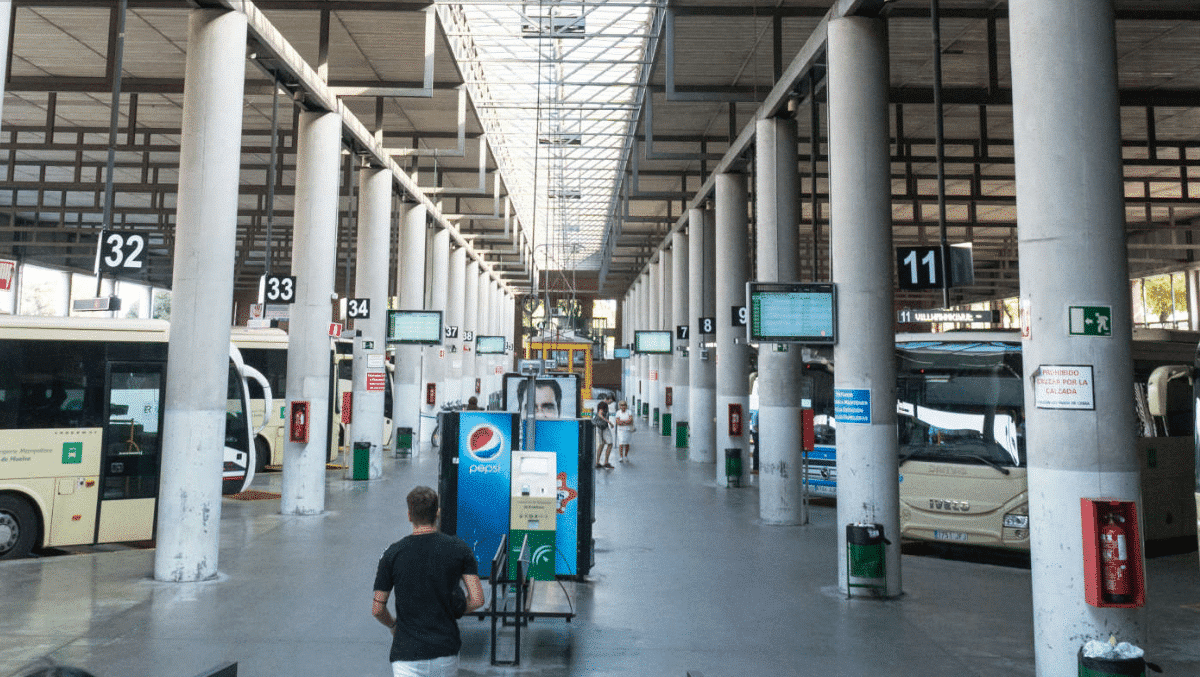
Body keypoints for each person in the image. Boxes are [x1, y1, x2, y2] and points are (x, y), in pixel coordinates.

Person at [373, 486, 485, 677]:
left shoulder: (392, 554)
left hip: (406, 654)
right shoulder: (459, 549)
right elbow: (477, 599)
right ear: (438, 513)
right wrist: (451, 610)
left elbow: (377, 609)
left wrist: (393, 626)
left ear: (409, 515)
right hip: (445, 651)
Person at [593, 394, 615, 469]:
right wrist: (609, 422)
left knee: (603, 444)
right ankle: (604, 462)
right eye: (611, 402)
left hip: (601, 426)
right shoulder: (603, 404)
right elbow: (600, 415)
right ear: (609, 399)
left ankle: (598, 462)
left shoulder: (602, 404)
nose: (610, 403)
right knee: (608, 443)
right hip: (602, 427)